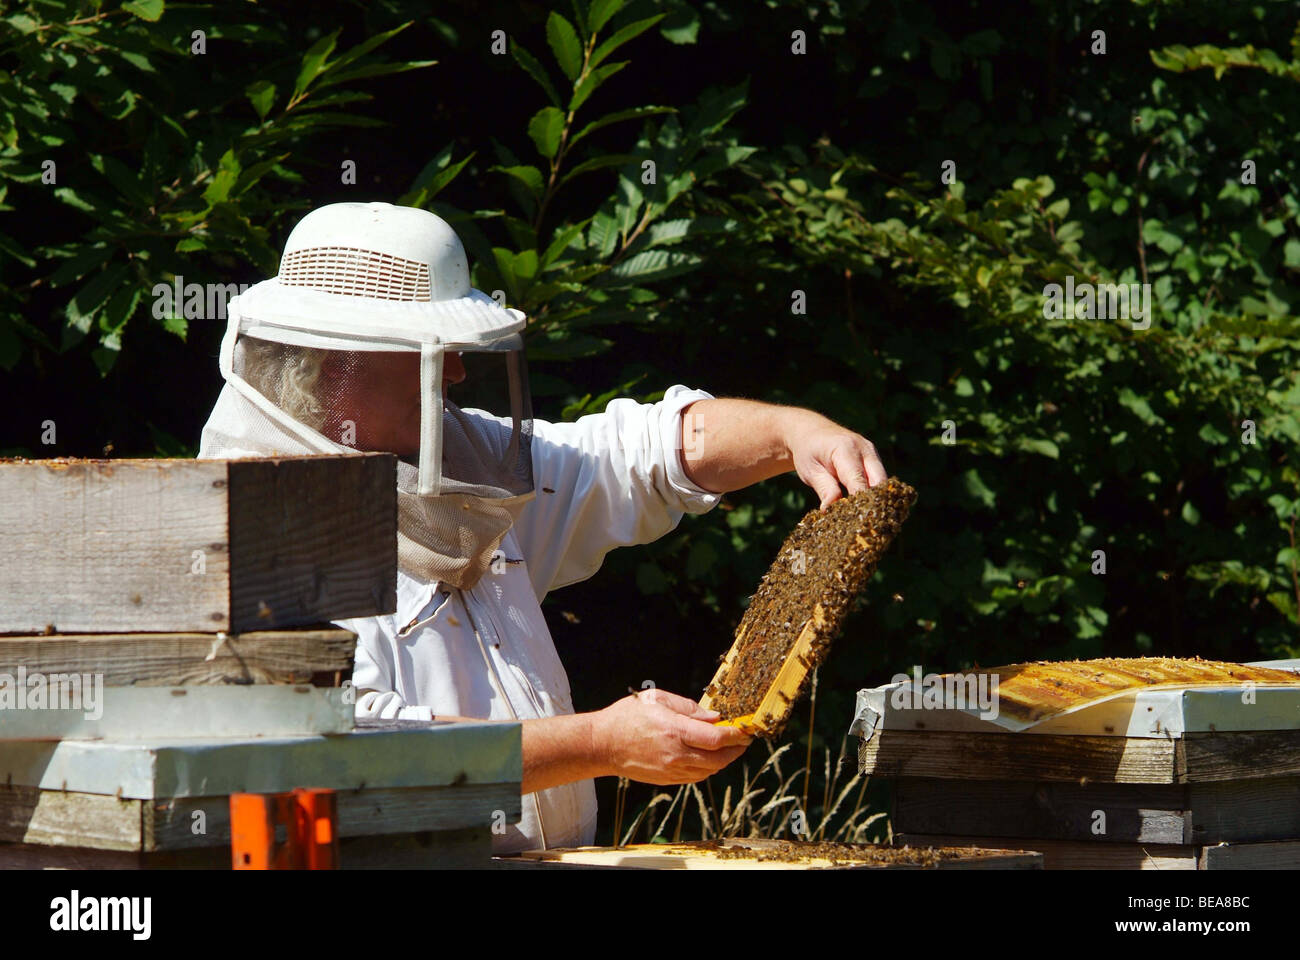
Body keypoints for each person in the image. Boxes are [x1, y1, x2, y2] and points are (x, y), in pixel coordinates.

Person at [198, 201, 887, 854]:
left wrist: (791, 433)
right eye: (435, 353)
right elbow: (356, 753)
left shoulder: (455, 459)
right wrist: (599, 744)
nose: (461, 372)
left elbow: (633, 453)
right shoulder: (243, 535)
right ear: (334, 364)